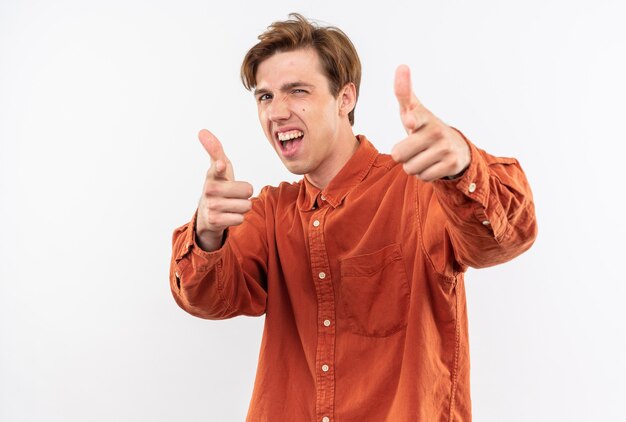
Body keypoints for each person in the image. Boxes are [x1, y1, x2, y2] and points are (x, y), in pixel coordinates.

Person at [169, 13, 537, 421]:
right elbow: (207, 299)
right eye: (265, 96)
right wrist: (206, 234)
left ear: (346, 98)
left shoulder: (417, 189)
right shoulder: (271, 213)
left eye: (297, 91)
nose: (276, 112)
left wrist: (463, 166)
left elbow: (506, 237)